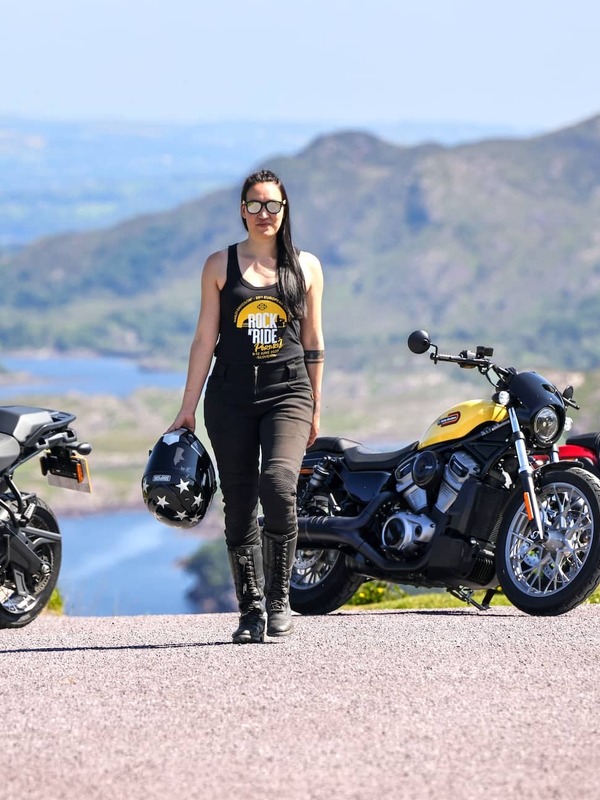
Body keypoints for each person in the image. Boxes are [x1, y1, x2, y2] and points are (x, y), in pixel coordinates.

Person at [168, 169, 324, 644]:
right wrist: (186, 407)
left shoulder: (306, 267)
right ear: (241, 209)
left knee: (277, 484)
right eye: (254, 205)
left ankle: (280, 601)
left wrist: (316, 407)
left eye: (272, 205)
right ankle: (251, 608)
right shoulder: (219, 265)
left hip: (288, 391)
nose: (264, 214)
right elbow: (203, 340)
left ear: (285, 209)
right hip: (229, 396)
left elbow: (315, 341)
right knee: (237, 502)